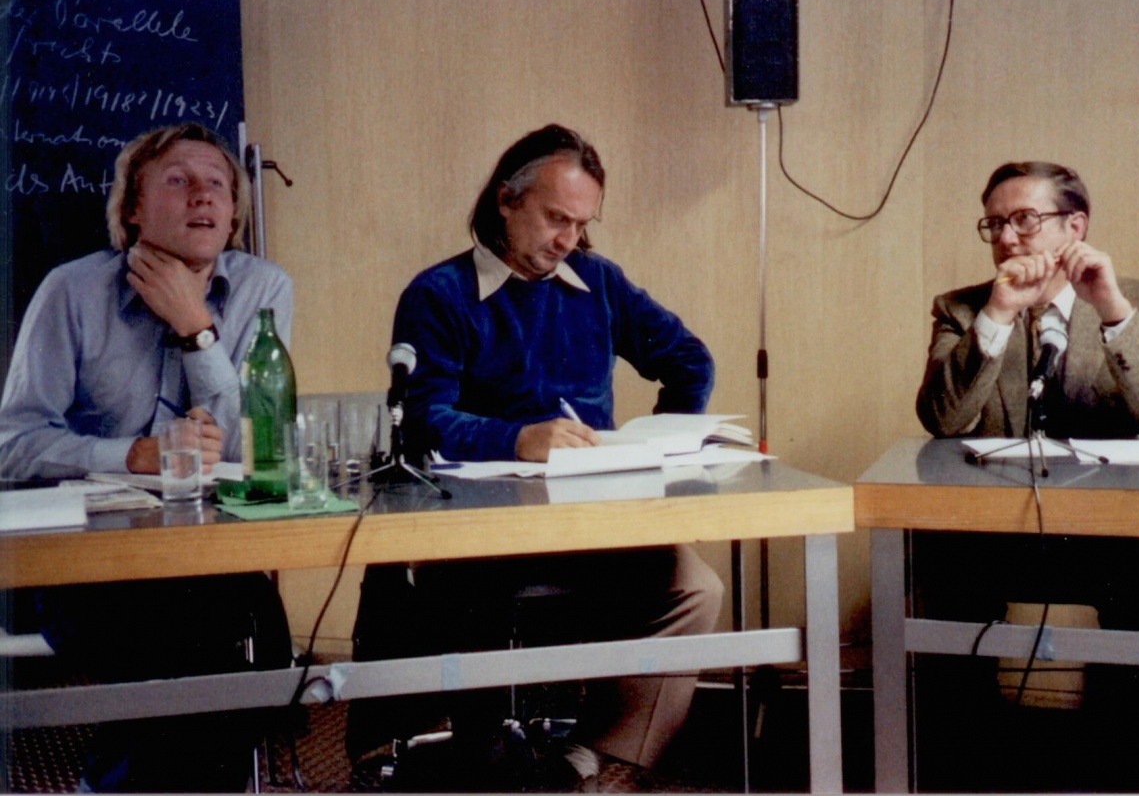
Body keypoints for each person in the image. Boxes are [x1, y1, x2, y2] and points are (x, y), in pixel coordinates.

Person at [351, 124, 724, 790]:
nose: (568, 240)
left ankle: (585, 756)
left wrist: (660, 442)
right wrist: (515, 437)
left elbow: (691, 361)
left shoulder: (599, 282)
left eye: (581, 224)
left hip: (593, 523)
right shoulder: (438, 294)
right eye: (556, 218)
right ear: (505, 200)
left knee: (696, 588)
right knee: (469, 615)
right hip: (481, 535)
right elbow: (420, 418)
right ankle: (482, 750)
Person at [0, 123, 295, 792]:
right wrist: (130, 454)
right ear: (132, 210)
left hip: (208, 557)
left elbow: (249, 447)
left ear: (234, 212)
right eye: (179, 180)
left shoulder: (264, 288)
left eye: (217, 185)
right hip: (86, 564)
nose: (203, 197)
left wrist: (198, 329)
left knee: (265, 651)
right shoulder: (70, 293)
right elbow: (11, 445)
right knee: (186, 655)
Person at [913, 161, 1139, 792]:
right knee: (939, 579)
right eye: (995, 223)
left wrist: (1111, 307)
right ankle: (963, 774)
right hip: (990, 531)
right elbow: (941, 418)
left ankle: (1137, 771)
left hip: (1111, 536)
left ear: (1076, 226)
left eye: (1025, 220)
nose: (1006, 239)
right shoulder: (963, 309)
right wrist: (995, 316)